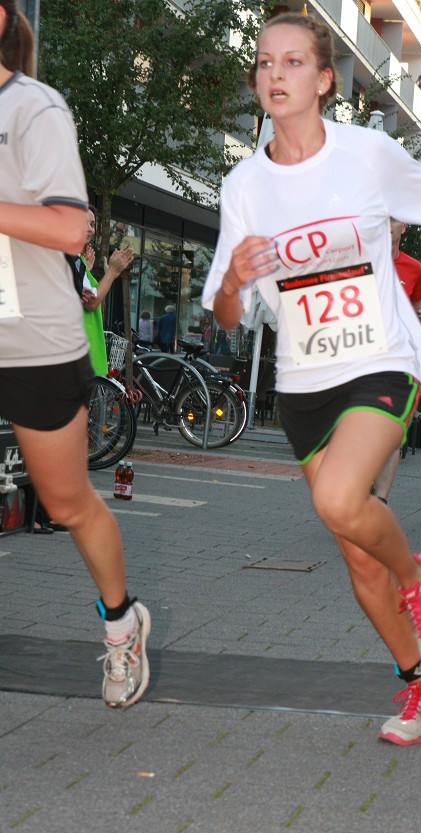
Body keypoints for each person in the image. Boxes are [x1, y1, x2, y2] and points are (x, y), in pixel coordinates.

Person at [201, 12, 421, 746]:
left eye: (295, 61)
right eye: (266, 62)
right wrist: (236, 281)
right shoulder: (242, 183)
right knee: (355, 550)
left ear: (324, 78)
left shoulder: (366, 153)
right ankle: (420, 688)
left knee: (343, 502)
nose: (276, 74)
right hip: (302, 380)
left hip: (379, 359)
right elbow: (226, 313)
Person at [0, 1, 150, 708]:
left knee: (65, 503)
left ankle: (121, 626)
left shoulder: (34, 109)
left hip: (33, 341)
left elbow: (68, 226)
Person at [371, 220, 421, 503]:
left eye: (392, 219)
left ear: (403, 227)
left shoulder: (413, 267)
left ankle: (380, 501)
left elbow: (417, 302)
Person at [66, 205, 134, 376]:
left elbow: (90, 294)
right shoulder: (68, 257)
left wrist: (92, 271)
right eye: (84, 222)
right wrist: (112, 271)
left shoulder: (76, 260)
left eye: (92, 224)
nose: (89, 229)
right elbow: (92, 302)